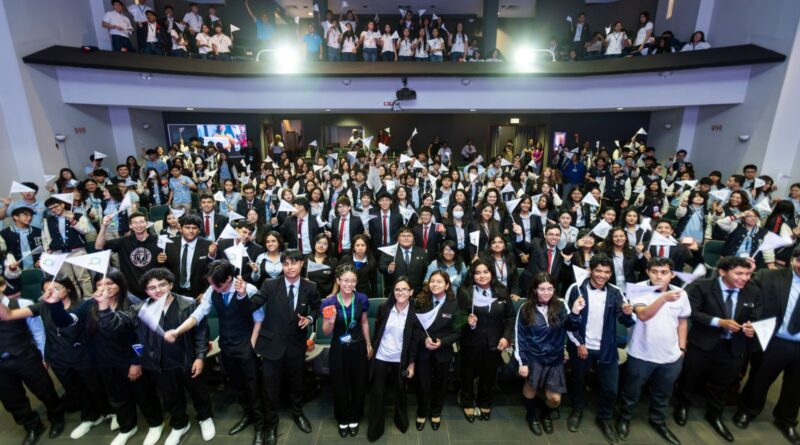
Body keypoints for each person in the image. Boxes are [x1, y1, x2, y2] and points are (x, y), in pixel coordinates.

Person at [164, 260, 265, 441]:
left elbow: (259, 319)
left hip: (245, 343)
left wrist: (251, 345)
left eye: (217, 285)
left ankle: (260, 424)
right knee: (237, 384)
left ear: (229, 279)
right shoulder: (212, 290)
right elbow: (198, 314)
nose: (214, 288)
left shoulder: (249, 289)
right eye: (211, 284)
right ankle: (248, 414)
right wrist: (178, 331)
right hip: (226, 344)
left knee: (253, 385)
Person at [235, 249, 320, 445]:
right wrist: (242, 295)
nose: (289, 267)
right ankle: (271, 425)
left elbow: (317, 308)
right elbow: (251, 307)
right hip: (271, 345)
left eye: (294, 263)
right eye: (285, 264)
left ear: (301, 264)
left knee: (296, 383)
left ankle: (298, 413)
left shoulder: (310, 286)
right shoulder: (270, 284)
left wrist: (309, 318)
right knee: (270, 389)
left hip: (296, 345)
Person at [674, 256, 760, 442]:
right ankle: (683, 405)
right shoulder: (702, 286)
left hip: (733, 346)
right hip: (702, 343)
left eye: (747, 274)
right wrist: (718, 322)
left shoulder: (752, 291)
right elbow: (692, 312)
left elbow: (756, 314)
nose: (744, 278)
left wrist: (752, 326)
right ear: (722, 272)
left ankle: (714, 414)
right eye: (739, 273)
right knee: (690, 378)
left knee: (722, 384)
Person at [617, 258, 689, 445]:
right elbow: (643, 314)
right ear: (647, 272)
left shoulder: (681, 293)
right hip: (641, 352)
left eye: (664, 272)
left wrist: (682, 348)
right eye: (654, 271)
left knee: (663, 392)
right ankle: (624, 418)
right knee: (632, 391)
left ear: (671, 274)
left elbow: (682, 321)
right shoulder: (638, 289)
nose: (659, 276)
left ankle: (657, 420)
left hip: (671, 355)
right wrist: (663, 298)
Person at [564, 255, 635, 442]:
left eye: (606, 272)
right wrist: (579, 343)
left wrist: (627, 313)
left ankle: (604, 417)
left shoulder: (615, 291)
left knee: (611, 387)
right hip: (581, 346)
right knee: (578, 381)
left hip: (607, 348)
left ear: (611, 274)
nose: (602, 275)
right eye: (598, 271)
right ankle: (577, 409)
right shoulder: (576, 288)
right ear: (591, 270)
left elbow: (626, 321)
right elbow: (568, 323)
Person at [734, 247, 800, 444]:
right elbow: (744, 290)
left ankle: (786, 420)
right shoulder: (769, 276)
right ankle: (748, 410)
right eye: (799, 260)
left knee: (796, 386)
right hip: (774, 339)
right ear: (793, 260)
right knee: (760, 377)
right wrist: (746, 271)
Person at [515, 272, 583, 436]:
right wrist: (522, 362)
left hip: (554, 358)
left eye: (550, 289)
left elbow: (569, 327)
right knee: (530, 388)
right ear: (534, 290)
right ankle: (532, 415)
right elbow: (519, 337)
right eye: (542, 289)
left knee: (554, 399)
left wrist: (575, 313)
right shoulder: (526, 308)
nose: (546, 293)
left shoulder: (561, 305)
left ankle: (546, 413)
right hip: (533, 357)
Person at [0, 276, 64, 445]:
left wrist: (44, 355)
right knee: (12, 400)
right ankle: (33, 426)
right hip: (1, 365)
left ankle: (57, 417)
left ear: (2, 286)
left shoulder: (22, 304)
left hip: (25, 355)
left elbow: (38, 332)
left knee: (44, 389)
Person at [456, 260, 514, 422]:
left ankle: (485, 401)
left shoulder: (501, 291)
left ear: (491, 273)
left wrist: (506, 336)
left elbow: (510, 316)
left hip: (495, 341)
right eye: (477, 273)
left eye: (485, 272)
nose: (482, 276)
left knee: (489, 375)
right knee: (468, 374)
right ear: (472, 275)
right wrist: (466, 320)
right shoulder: (465, 292)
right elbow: (456, 319)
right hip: (471, 341)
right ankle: (467, 401)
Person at [320, 264, 371, 437]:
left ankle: (355, 416)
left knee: (359, 383)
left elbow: (364, 322)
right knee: (339, 384)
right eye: (345, 280)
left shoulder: (362, 298)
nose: (349, 284)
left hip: (358, 346)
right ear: (338, 281)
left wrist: (368, 344)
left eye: (352, 281)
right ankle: (342, 418)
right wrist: (331, 321)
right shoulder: (329, 302)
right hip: (338, 348)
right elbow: (326, 331)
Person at [367, 277, 417, 442]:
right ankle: (375, 429)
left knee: (400, 391)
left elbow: (414, 342)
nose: (400, 292)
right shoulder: (384, 308)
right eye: (397, 289)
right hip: (381, 355)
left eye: (404, 289)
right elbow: (377, 332)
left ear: (411, 292)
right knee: (377, 393)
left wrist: (411, 364)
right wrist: (371, 348)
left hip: (400, 358)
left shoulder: (415, 312)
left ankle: (401, 421)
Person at [412, 271, 462, 431]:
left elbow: (458, 332)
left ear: (447, 285)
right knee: (422, 384)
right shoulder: (420, 301)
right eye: (432, 281)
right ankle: (421, 411)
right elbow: (414, 327)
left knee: (441, 384)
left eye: (439, 281)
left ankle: (436, 412)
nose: (435, 284)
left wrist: (442, 342)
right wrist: (423, 339)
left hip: (443, 351)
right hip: (423, 350)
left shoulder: (455, 304)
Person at [96, 211, 160, 298]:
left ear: (147, 223)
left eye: (141, 222)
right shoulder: (123, 241)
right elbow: (99, 246)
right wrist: (104, 226)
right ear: (130, 226)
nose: (138, 225)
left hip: (155, 289)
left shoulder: (158, 240)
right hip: (132, 292)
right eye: (135, 223)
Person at [41, 197, 95, 298]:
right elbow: (46, 237)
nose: (53, 210)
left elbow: (86, 230)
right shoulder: (48, 220)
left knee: (83, 277)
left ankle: (89, 298)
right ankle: (75, 300)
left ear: (63, 204)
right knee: (68, 280)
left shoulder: (78, 216)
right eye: (51, 208)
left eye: (55, 206)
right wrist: (48, 249)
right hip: (59, 253)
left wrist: (73, 221)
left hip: (77, 251)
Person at [157, 214, 217, 298]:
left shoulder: (208, 245)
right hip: (173, 292)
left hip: (198, 294)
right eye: (187, 227)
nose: (191, 231)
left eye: (194, 228)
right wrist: (160, 262)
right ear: (180, 228)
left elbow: (212, 271)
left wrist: (205, 292)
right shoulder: (169, 244)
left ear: (199, 230)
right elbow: (164, 269)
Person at [379, 227, 428, 297]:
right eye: (403, 236)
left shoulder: (422, 252)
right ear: (398, 238)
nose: (406, 238)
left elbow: (426, 271)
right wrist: (388, 269)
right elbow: (381, 266)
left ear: (413, 238)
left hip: (417, 294)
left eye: (409, 236)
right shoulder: (389, 251)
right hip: (394, 293)